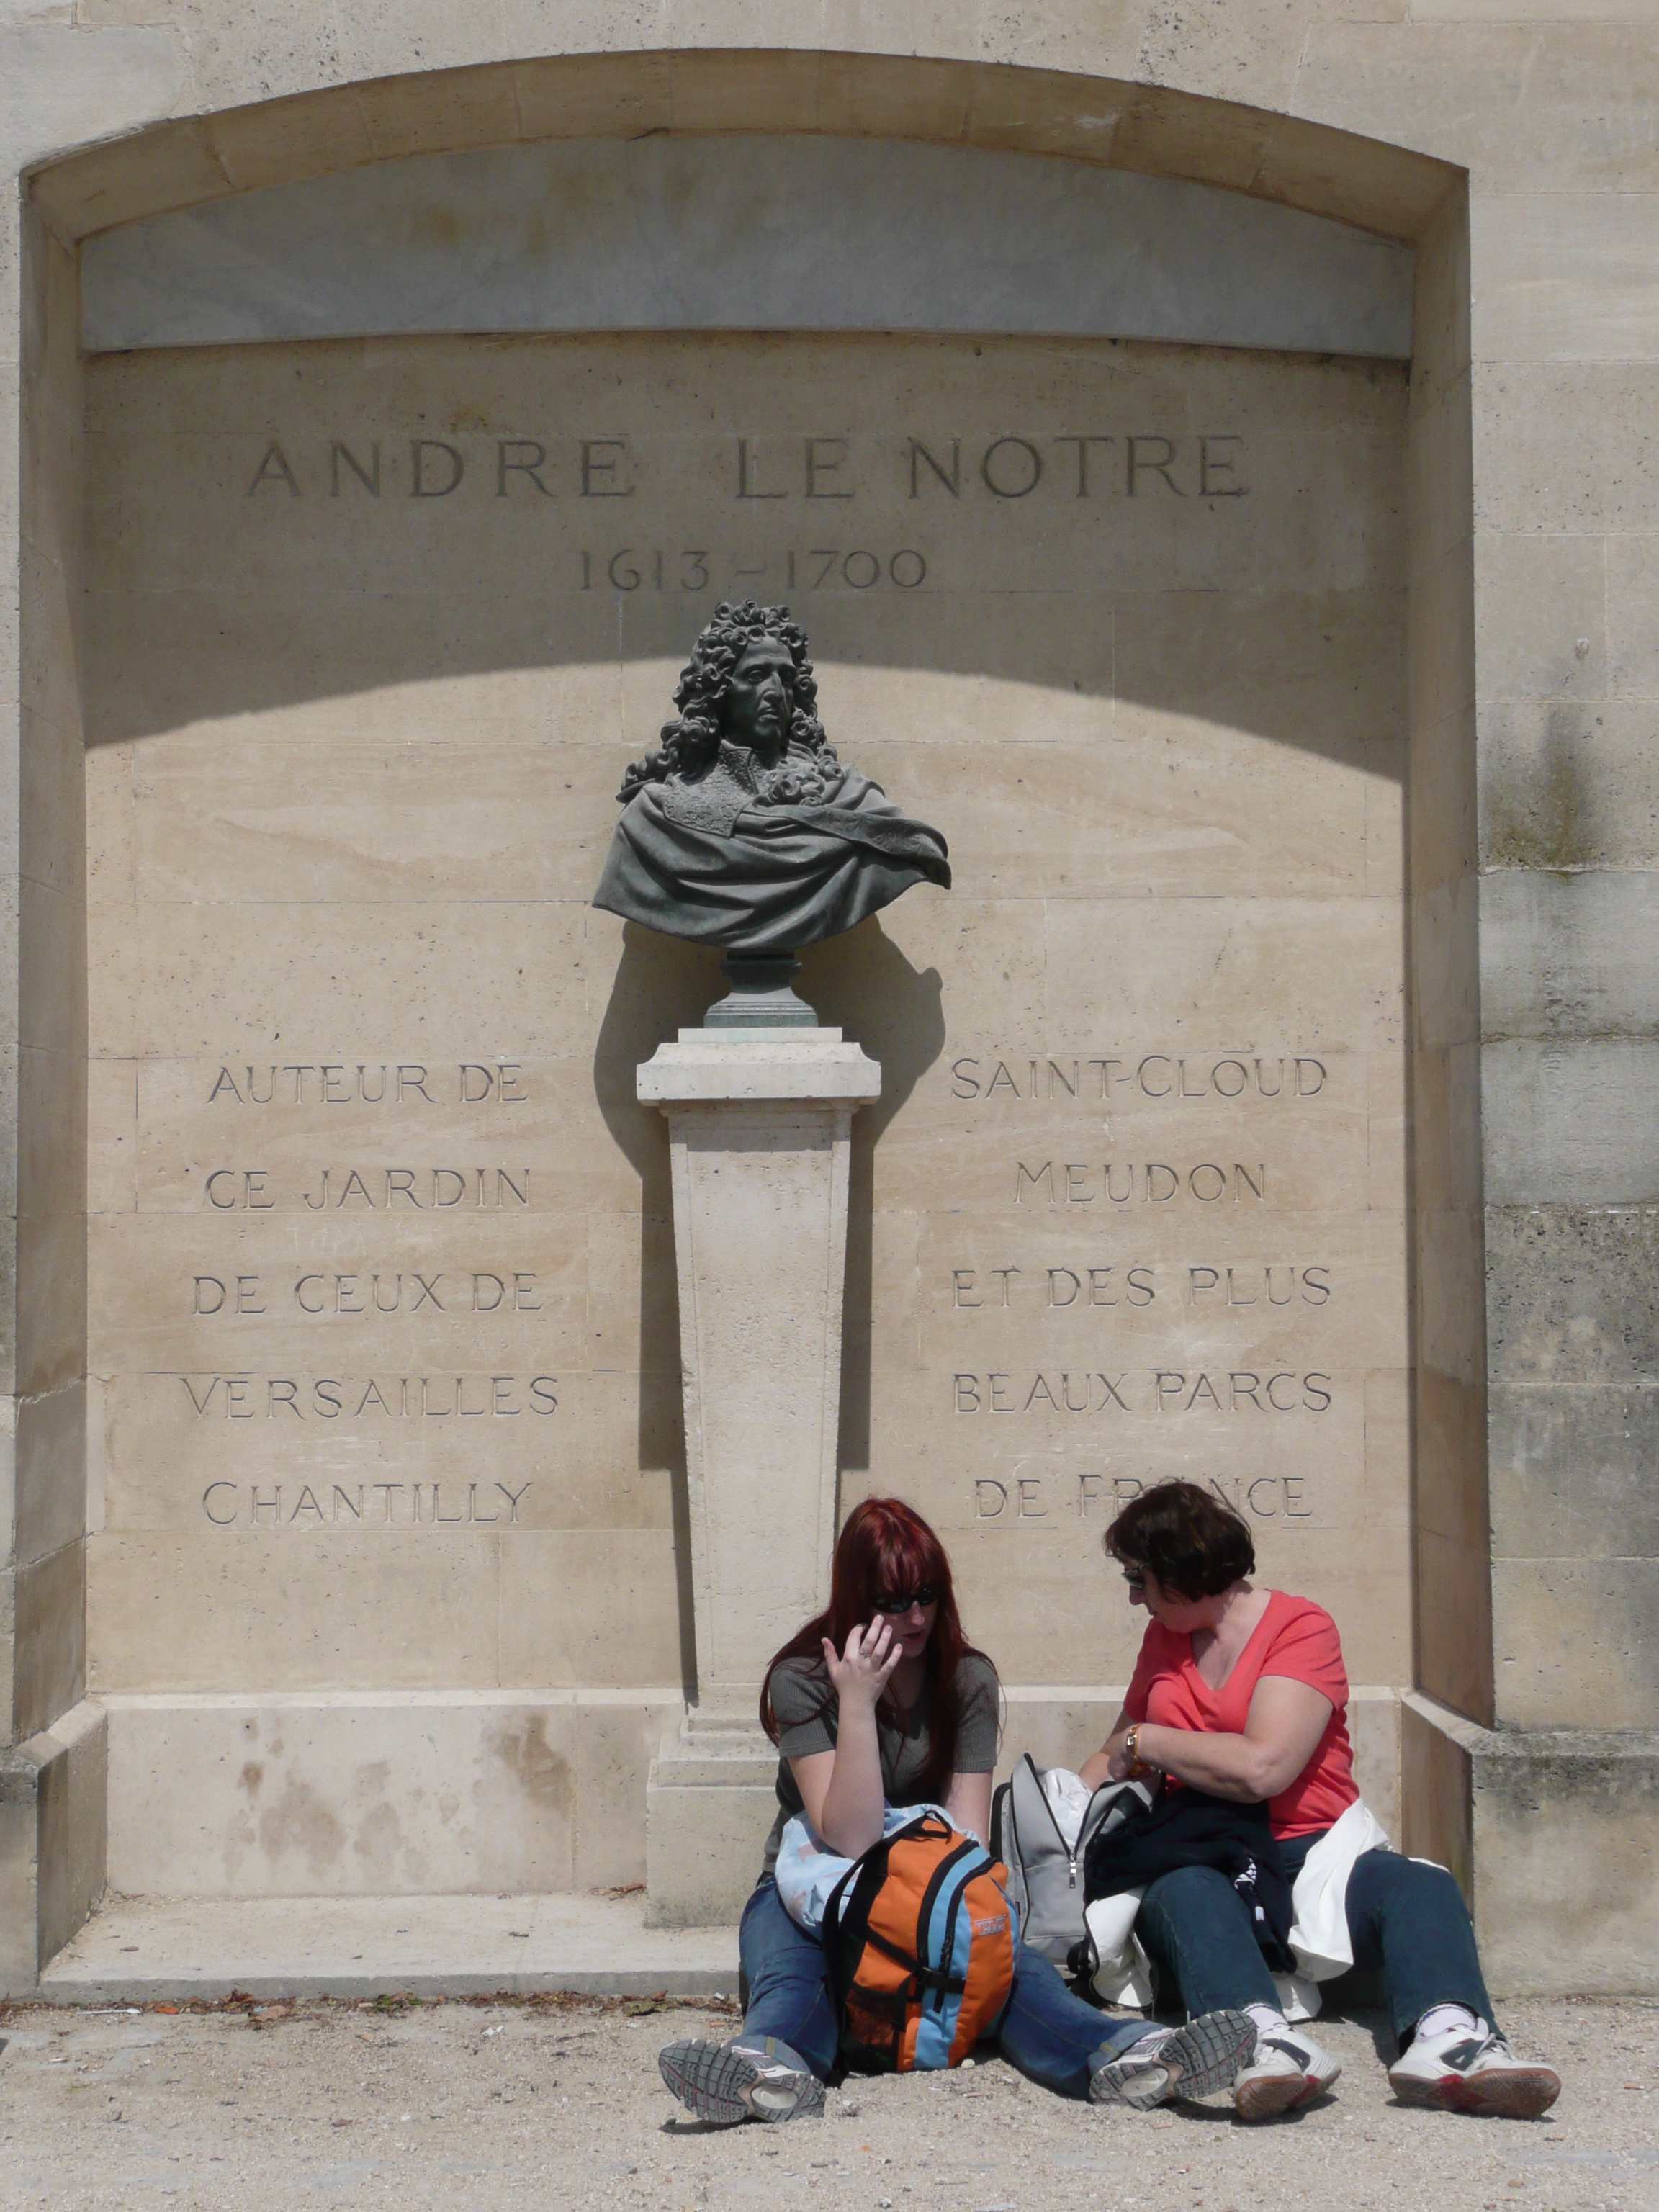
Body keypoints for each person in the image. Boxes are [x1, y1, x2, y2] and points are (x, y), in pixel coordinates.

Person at [658, 1496, 1253, 2125]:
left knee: (1016, 1972)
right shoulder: (804, 1678)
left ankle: (1125, 2055)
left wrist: (948, 1928)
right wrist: (857, 1704)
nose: (915, 1617)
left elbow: (966, 1837)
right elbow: (851, 1838)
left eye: (928, 1593)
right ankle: (765, 2070)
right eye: (892, 1600)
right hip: (812, 1891)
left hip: (929, 1890)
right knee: (794, 1975)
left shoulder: (966, 1680)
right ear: (856, 1596)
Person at [1079, 1480, 1562, 2123]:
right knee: (1185, 1891)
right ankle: (1262, 2042)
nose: (1133, 1594)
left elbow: (1264, 1768)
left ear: (1183, 1569)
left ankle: (1452, 2039)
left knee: (1420, 1886)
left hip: (1312, 1850)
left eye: (1139, 1576)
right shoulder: (1164, 1638)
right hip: (1201, 1850)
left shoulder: (1299, 1627)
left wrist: (1153, 1740)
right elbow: (1119, 1745)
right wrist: (1061, 1815)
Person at [592, 601, 950, 956]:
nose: (777, 693)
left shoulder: (850, 797)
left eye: (787, 678)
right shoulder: (651, 818)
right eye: (756, 676)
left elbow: (912, 844)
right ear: (718, 691)